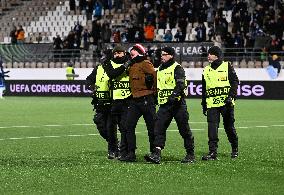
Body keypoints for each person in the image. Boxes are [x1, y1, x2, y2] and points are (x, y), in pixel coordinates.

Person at [144, 47, 195, 164]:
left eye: (164, 54)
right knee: (158, 128)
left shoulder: (177, 68)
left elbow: (181, 84)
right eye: (161, 54)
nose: (162, 56)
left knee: (184, 129)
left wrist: (174, 95)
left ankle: (190, 154)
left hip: (177, 104)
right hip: (164, 105)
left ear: (171, 55)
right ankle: (156, 154)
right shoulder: (160, 69)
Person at [201, 46, 239, 161]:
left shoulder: (227, 66)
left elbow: (235, 82)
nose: (208, 56)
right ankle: (212, 152)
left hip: (226, 103)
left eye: (210, 53)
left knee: (229, 127)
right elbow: (204, 89)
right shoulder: (206, 69)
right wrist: (204, 104)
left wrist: (231, 96)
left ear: (216, 55)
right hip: (212, 103)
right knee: (212, 128)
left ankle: (234, 148)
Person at [120, 44, 157, 162]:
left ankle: (154, 153)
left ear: (140, 52)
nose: (131, 54)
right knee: (128, 126)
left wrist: (154, 93)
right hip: (135, 99)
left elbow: (155, 77)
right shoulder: (131, 65)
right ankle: (131, 153)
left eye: (133, 52)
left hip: (147, 99)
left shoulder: (146, 63)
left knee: (152, 128)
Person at [86, 52, 119, 159]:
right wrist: (91, 86)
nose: (101, 58)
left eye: (104, 56)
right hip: (100, 103)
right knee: (100, 124)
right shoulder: (98, 68)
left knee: (110, 127)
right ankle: (115, 144)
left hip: (111, 103)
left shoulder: (115, 69)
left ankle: (112, 150)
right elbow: (89, 79)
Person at [103, 45, 131, 160]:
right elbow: (112, 74)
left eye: (119, 53)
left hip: (127, 100)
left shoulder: (132, 63)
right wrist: (125, 66)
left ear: (124, 53)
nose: (117, 55)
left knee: (125, 127)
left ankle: (123, 150)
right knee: (111, 127)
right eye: (115, 53)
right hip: (113, 101)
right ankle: (112, 149)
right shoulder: (109, 63)